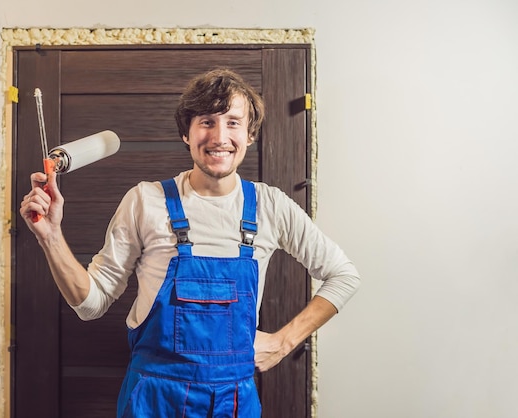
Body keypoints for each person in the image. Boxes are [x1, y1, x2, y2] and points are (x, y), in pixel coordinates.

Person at [20, 68, 360, 417]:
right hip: (153, 398)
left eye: (232, 122)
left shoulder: (271, 207)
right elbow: (90, 304)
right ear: (187, 132)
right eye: (207, 122)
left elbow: (343, 275)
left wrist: (282, 342)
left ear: (250, 134)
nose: (219, 136)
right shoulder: (144, 201)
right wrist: (51, 237)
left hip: (234, 400)